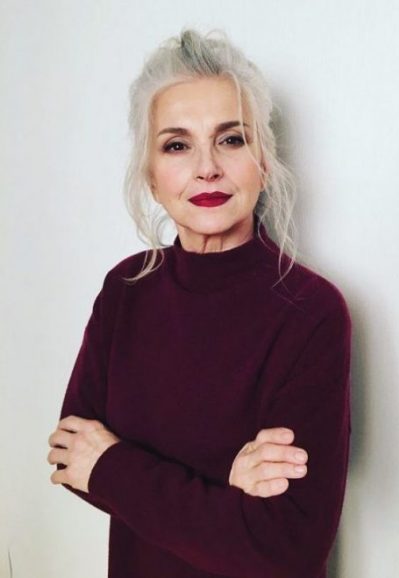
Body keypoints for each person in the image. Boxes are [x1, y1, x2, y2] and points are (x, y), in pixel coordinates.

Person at [46, 28, 352, 578]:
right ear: (151, 175)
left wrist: (113, 464)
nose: (207, 167)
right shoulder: (125, 289)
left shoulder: (312, 312)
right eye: (177, 145)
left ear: (263, 160)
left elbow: (288, 550)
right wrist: (224, 487)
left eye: (231, 139)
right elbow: (73, 458)